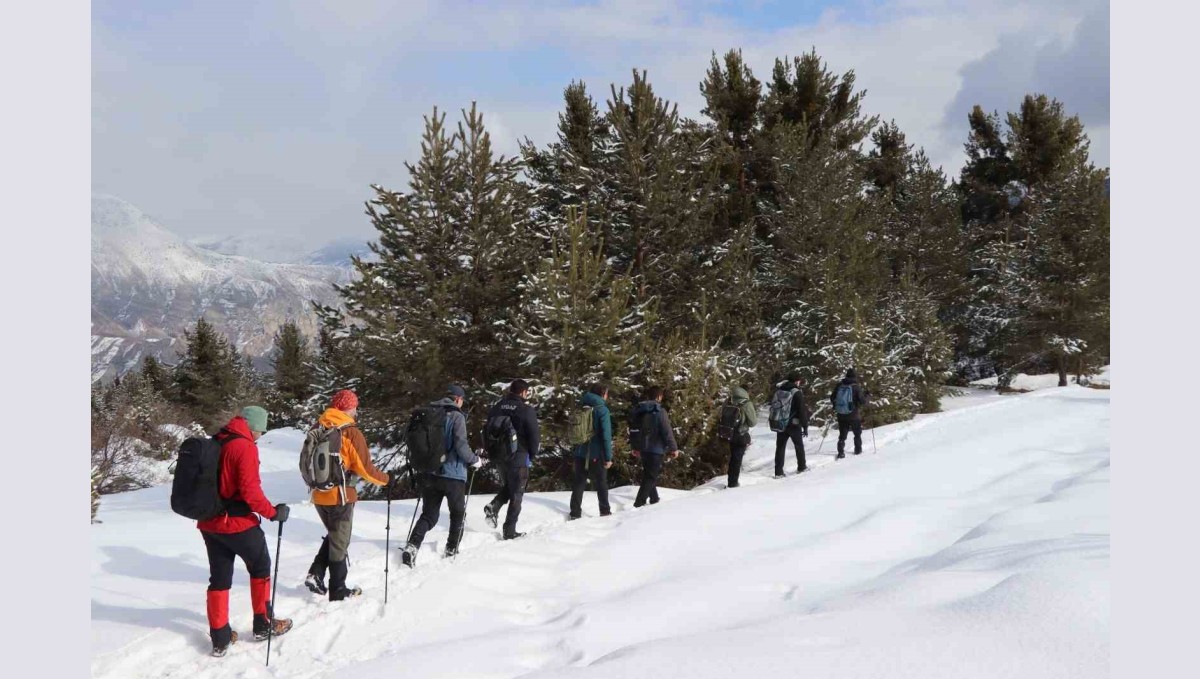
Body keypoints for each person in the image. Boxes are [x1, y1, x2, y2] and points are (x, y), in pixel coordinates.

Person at [196, 405, 292, 658]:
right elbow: (250, 492)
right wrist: (272, 513)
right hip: (237, 523)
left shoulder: (217, 439)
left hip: (209, 523)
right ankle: (263, 624)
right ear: (254, 427)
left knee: (219, 577)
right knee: (260, 567)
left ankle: (220, 637)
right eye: (261, 429)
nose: (261, 434)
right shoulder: (244, 446)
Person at [303, 390, 390, 601]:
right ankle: (338, 591)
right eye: (354, 407)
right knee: (340, 542)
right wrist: (387, 479)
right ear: (348, 408)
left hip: (318, 495)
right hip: (340, 496)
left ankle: (316, 574)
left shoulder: (318, 427)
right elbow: (366, 469)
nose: (356, 411)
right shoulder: (350, 432)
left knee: (335, 536)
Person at [401, 385, 482, 566]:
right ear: (458, 399)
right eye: (462, 400)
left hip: (429, 472)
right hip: (453, 475)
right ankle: (451, 549)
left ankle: (412, 546)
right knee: (458, 513)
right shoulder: (457, 416)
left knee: (429, 515)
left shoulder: (429, 414)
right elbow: (461, 446)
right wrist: (474, 460)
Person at [482, 379, 540, 540]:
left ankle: (494, 506)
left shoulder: (497, 407)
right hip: (519, 456)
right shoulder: (526, 410)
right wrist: (532, 454)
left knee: (510, 486)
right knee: (517, 494)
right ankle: (509, 530)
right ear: (523, 392)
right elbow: (534, 436)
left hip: (499, 456)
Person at [568, 383, 613, 520]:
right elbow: (606, 435)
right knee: (601, 482)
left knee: (579, 482)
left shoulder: (581, 406)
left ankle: (575, 513)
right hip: (596, 453)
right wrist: (608, 457)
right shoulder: (602, 410)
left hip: (580, 451)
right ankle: (605, 511)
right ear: (602, 393)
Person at [629, 386, 679, 508]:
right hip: (655, 449)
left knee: (649, 474)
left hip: (642, 447)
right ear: (659, 396)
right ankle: (638, 503)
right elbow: (666, 431)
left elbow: (633, 429)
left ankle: (654, 499)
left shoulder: (640, 410)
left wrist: (635, 446)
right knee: (650, 477)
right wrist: (674, 448)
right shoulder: (659, 411)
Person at [771, 371, 810, 478]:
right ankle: (802, 467)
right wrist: (805, 426)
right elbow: (802, 411)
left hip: (781, 422)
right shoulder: (796, 392)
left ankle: (778, 472)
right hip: (794, 424)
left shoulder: (780, 390)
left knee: (780, 447)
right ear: (797, 381)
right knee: (799, 446)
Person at [830, 368, 871, 458]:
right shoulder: (856, 387)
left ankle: (841, 452)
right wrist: (868, 395)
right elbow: (863, 402)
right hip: (853, 415)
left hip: (841, 414)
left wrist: (835, 406)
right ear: (854, 376)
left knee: (842, 435)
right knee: (857, 433)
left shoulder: (839, 385)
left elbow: (832, 397)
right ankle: (857, 450)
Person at [724, 385, 757, 488]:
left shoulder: (729, 400)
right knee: (737, 460)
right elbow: (752, 422)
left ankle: (731, 481)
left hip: (728, 432)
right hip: (741, 434)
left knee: (733, 458)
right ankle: (733, 483)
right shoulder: (746, 403)